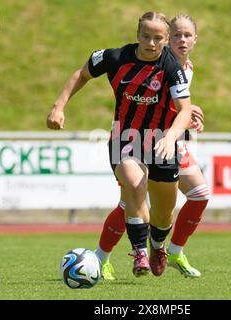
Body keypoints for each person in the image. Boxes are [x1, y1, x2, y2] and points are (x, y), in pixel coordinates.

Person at [47, 11, 192, 277]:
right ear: (137, 35)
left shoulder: (172, 67)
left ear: (165, 39)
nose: (151, 43)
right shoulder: (115, 57)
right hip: (125, 139)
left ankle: (157, 245)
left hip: (161, 142)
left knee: (163, 214)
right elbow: (82, 73)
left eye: (158, 38)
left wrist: (171, 137)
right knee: (136, 184)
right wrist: (59, 106)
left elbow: (185, 109)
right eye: (146, 36)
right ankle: (139, 253)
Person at [95, 14, 209, 280]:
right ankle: (101, 257)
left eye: (187, 35)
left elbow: (176, 104)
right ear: (168, 39)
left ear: (195, 39)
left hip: (170, 141)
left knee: (199, 193)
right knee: (130, 201)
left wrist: (190, 111)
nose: (181, 40)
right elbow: (145, 102)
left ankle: (174, 251)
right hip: (141, 139)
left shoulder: (187, 68)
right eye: (177, 35)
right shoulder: (158, 61)